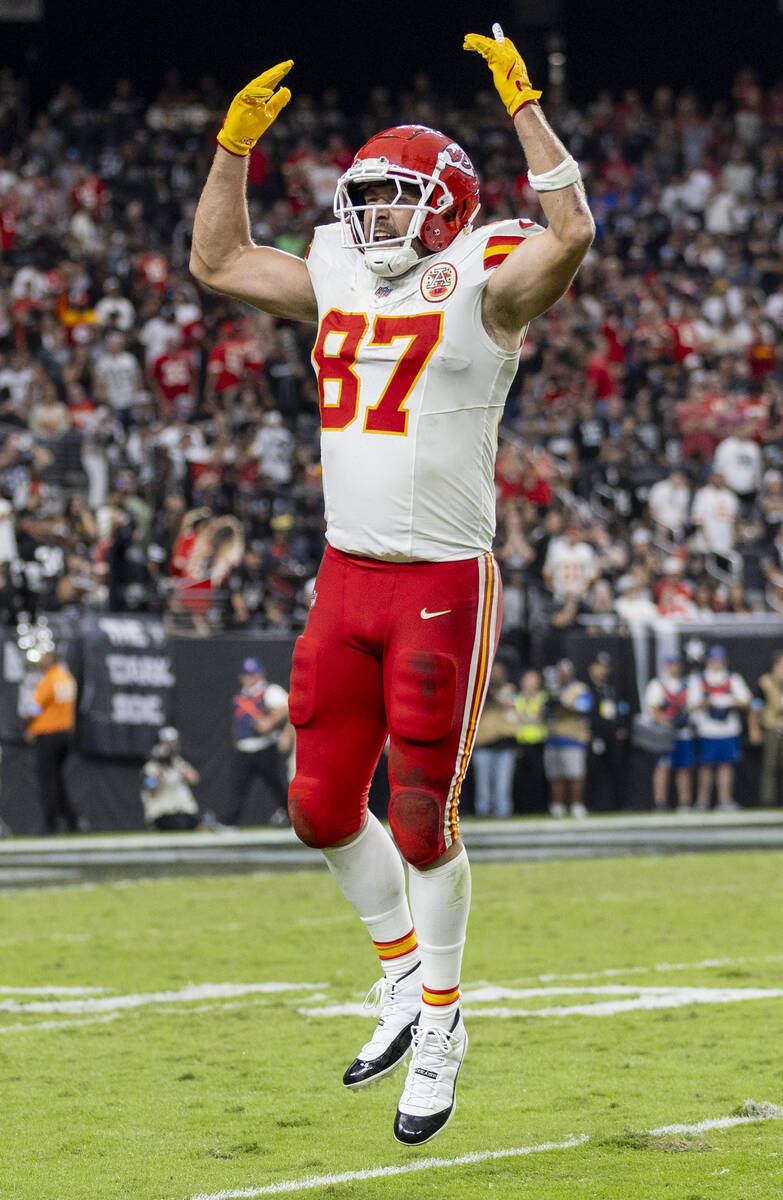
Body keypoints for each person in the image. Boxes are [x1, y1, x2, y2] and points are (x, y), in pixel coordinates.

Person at [191, 28, 593, 1145]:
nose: (375, 217)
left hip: (438, 585)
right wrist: (232, 150)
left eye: (399, 198)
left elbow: (573, 234)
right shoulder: (329, 271)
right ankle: (401, 974)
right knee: (320, 805)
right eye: (365, 196)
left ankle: (446, 1022)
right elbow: (219, 262)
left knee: (421, 822)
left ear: (452, 207)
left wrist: (526, 112)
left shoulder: (488, 285)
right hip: (345, 572)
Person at [225, 657, 291, 827]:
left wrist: (270, 721)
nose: (251, 679)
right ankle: (230, 822)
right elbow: (236, 723)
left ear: (260, 674)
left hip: (264, 746)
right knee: (237, 787)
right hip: (244, 748)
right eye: (247, 675)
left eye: (253, 675)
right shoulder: (240, 697)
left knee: (278, 786)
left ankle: (292, 818)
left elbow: (288, 706)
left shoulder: (270, 691)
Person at [25, 647, 83, 834]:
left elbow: (34, 708)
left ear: (50, 659)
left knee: (47, 780)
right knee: (57, 779)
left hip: (48, 733)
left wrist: (28, 724)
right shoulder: (67, 678)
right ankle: (73, 819)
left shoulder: (50, 680)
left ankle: (50, 823)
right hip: (65, 734)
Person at [688, 645, 751, 811]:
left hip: (728, 729)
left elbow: (746, 700)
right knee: (706, 766)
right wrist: (709, 701)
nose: (717, 664)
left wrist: (728, 700)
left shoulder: (732, 678)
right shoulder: (699, 679)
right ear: (708, 661)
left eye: (720, 661)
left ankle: (725, 800)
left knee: (726, 765)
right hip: (707, 729)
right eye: (714, 660)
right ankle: (703, 800)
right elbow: (690, 706)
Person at [544, 659, 593, 818]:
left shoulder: (579, 688)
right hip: (554, 737)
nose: (562, 676)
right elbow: (545, 710)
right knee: (556, 775)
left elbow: (585, 707)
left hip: (573, 738)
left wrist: (565, 703)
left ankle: (577, 805)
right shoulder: (553, 688)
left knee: (575, 775)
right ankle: (558, 806)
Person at [471, 662, 519, 818]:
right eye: (493, 672)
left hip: (505, 745)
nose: (495, 675)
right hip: (483, 744)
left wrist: (492, 695)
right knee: (483, 783)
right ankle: (483, 811)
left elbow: (509, 705)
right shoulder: (479, 692)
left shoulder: (510, 690)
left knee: (502, 783)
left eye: (498, 672)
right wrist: (486, 693)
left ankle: (502, 811)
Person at [585, 651, 629, 812]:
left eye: (605, 667)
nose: (603, 671)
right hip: (595, 735)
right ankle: (593, 804)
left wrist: (621, 726)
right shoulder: (586, 688)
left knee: (616, 770)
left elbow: (621, 708)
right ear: (592, 669)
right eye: (599, 667)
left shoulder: (612, 688)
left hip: (612, 735)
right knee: (594, 771)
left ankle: (617, 805)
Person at [140, 727, 202, 830]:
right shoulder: (151, 767)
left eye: (173, 743)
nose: (171, 747)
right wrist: (158, 772)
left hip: (183, 811)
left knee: (201, 826)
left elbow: (194, 779)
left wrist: (177, 762)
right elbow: (150, 790)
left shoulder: (179, 763)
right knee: (178, 825)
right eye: (167, 743)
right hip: (162, 813)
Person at [751, 651, 783, 806]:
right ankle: (768, 801)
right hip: (772, 729)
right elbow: (755, 707)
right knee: (770, 767)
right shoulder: (765, 682)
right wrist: (754, 728)